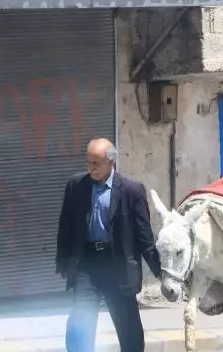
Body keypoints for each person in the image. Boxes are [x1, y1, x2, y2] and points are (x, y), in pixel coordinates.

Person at [55, 138, 161, 352]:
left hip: (118, 265)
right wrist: (64, 263)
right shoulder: (77, 185)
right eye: (88, 162)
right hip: (87, 265)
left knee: (129, 329)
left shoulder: (132, 191)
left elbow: (144, 237)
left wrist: (161, 272)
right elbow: (65, 226)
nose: (90, 168)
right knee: (78, 325)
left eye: (96, 163)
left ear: (111, 162)